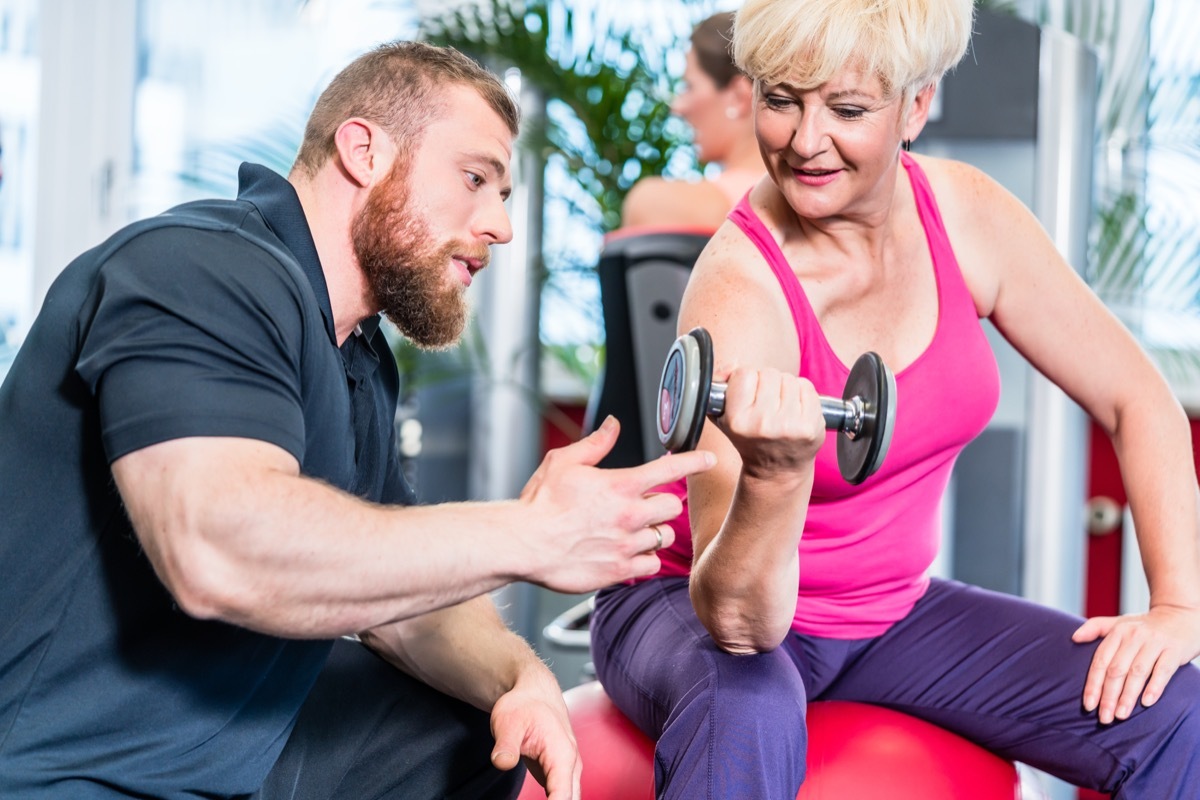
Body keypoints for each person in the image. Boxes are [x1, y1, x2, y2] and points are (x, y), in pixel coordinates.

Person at [0, 41, 715, 800]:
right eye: (475, 179)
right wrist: (530, 533)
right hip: (63, 766)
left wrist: (521, 677)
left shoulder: (357, 356)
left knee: (469, 733)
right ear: (363, 150)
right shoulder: (196, 269)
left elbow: (408, 609)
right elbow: (218, 550)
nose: (501, 226)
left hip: (229, 750)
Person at [589, 1, 1200, 798]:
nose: (806, 142)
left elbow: (1136, 396)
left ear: (917, 103)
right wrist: (776, 478)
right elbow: (739, 623)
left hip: (890, 614)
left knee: (1176, 710)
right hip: (694, 602)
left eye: (846, 109)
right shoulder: (741, 288)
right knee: (749, 703)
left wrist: (1178, 606)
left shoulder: (965, 215)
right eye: (780, 100)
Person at [619, 11, 763, 231]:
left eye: (689, 87)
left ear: (739, 96)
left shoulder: (656, 205)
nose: (677, 107)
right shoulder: (816, 212)